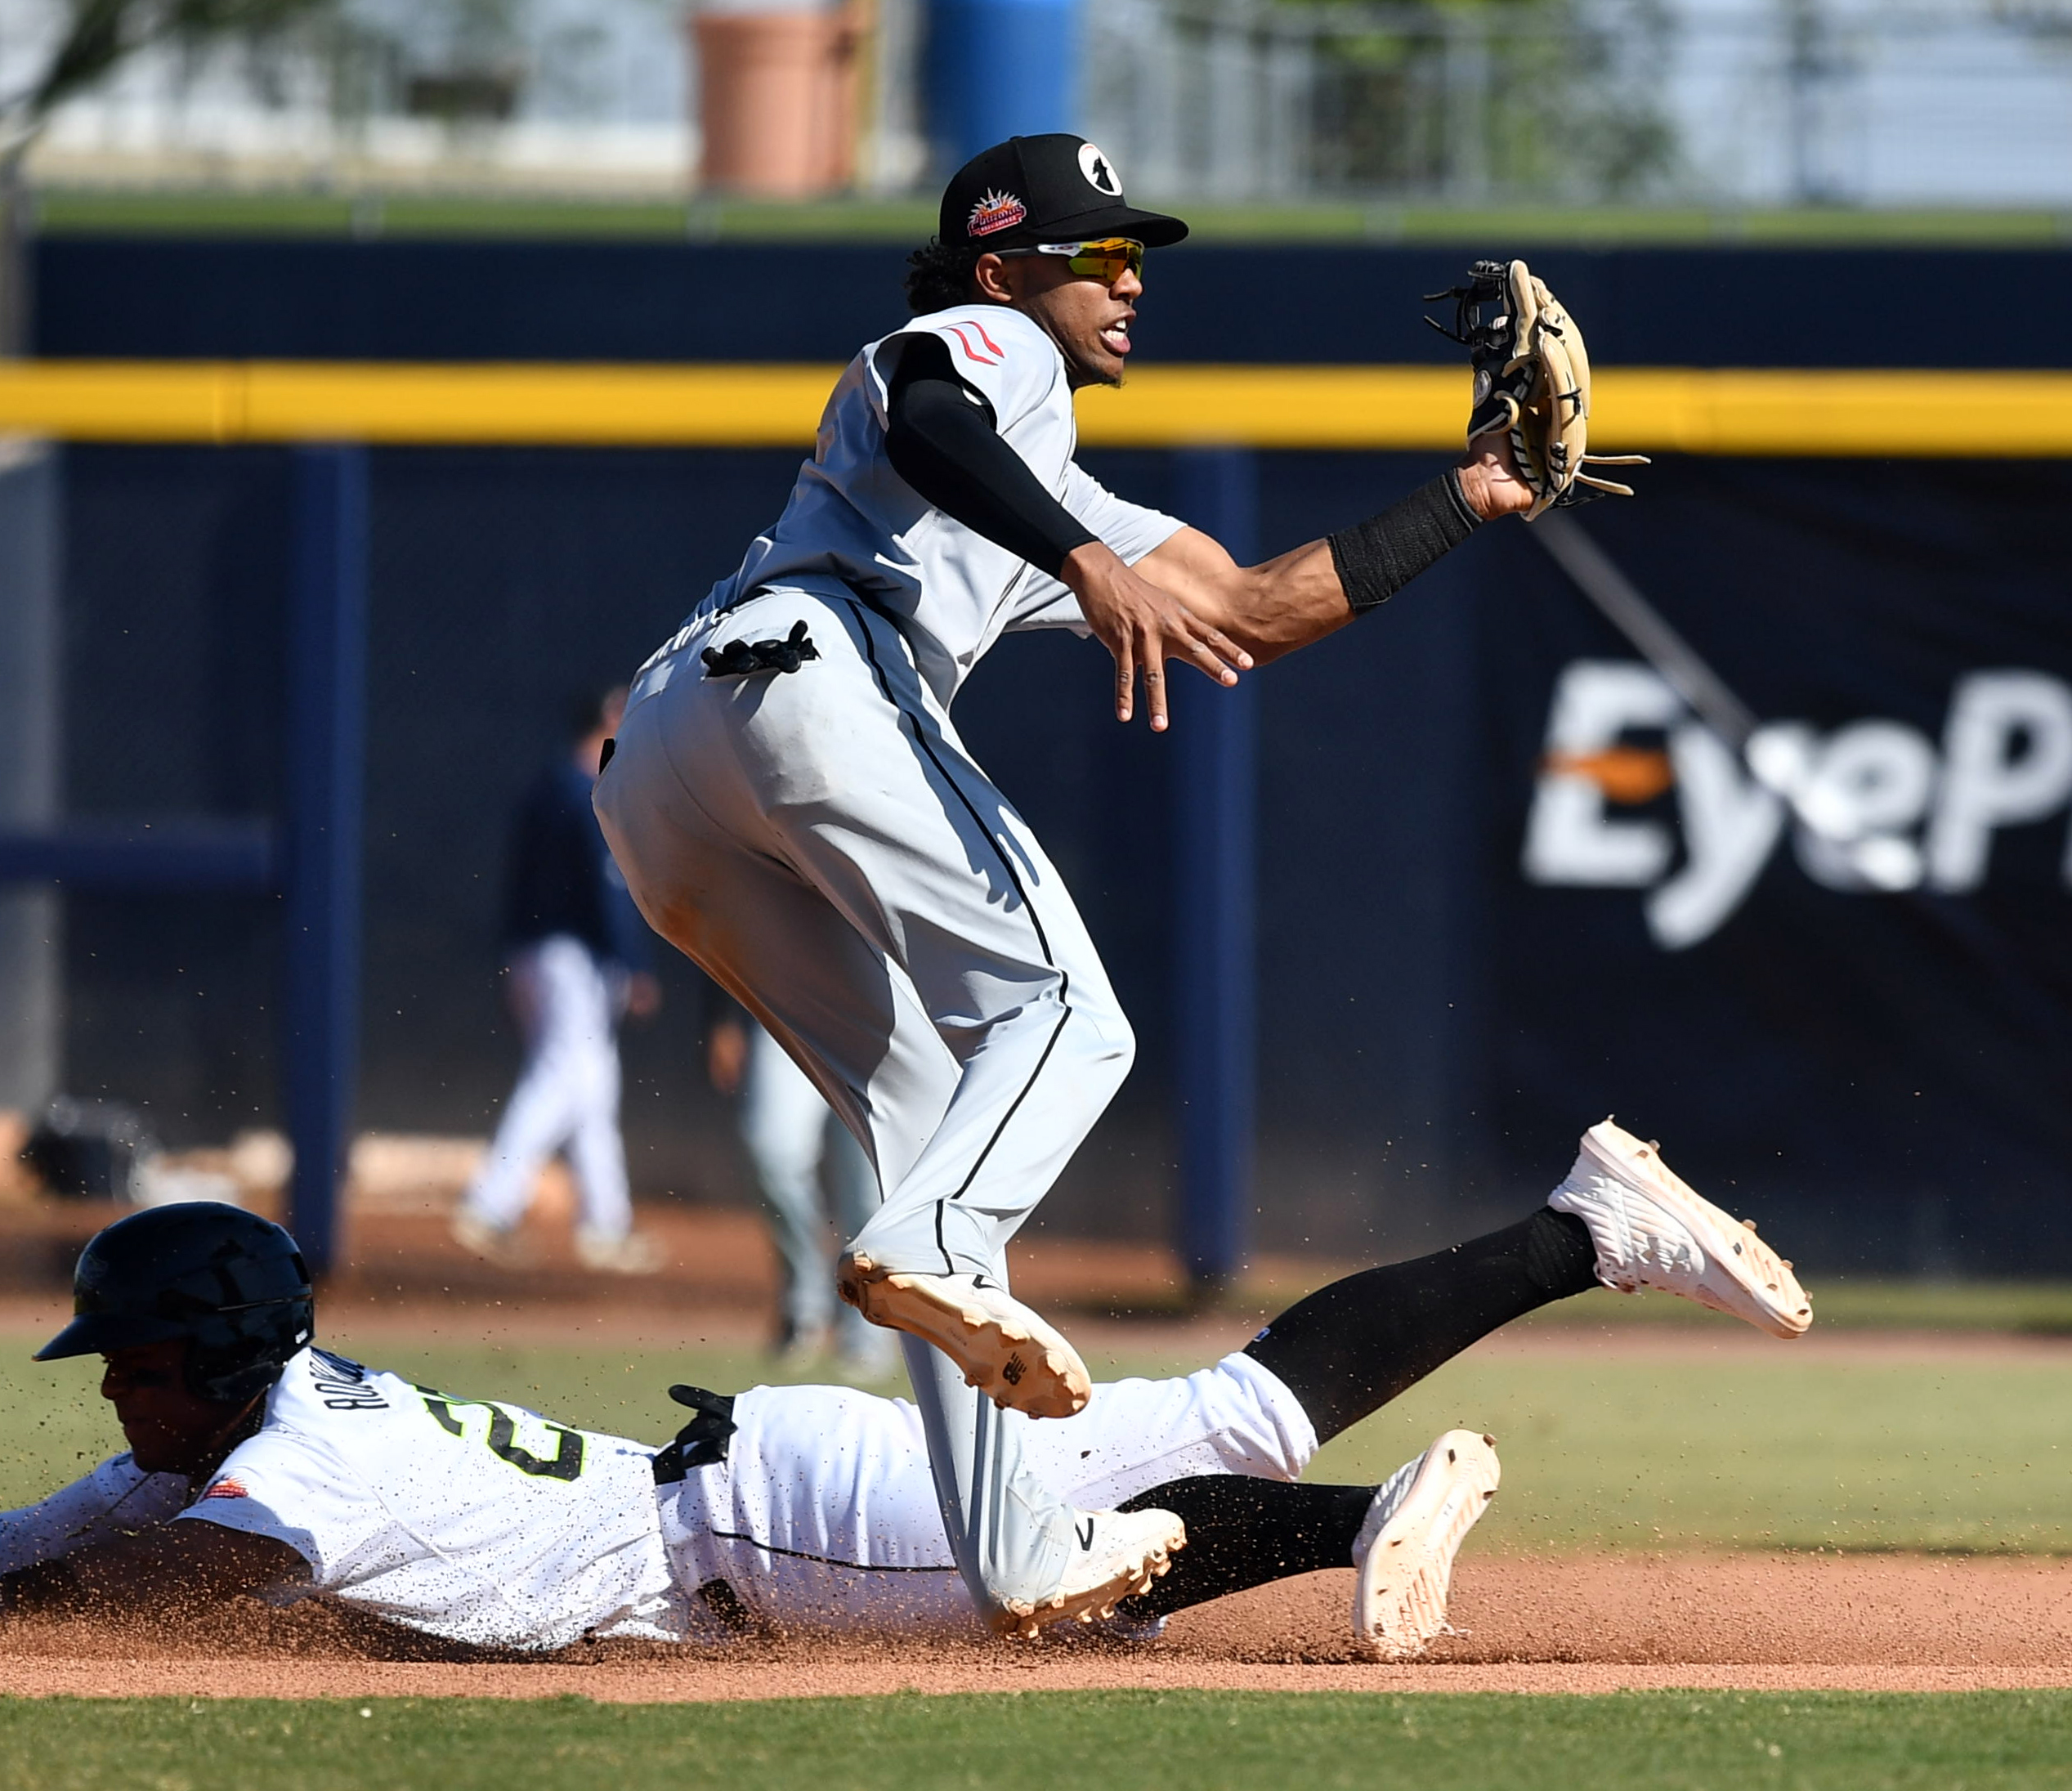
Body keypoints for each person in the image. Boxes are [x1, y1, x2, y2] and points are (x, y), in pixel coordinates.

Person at [590, 132, 1568, 1628]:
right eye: (1095, 256)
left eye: (1133, 257)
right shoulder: (992, 351)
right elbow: (928, 414)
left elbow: (1247, 607)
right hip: (802, 672)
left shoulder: (1054, 484)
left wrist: (1470, 496)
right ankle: (920, 1247)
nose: (1125, 283)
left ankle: (1013, 1556)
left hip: (664, 770)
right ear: (1004, 268)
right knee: (1067, 1015)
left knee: (925, 1115)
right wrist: (1072, 549)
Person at [0, 1118, 1809, 1656]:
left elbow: (142, 1572)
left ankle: (1576, 1228)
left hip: (753, 1531)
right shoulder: (267, 1423)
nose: (106, 1405)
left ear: (192, 1361)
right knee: (1101, 1544)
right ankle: (1389, 1486)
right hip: (760, 1499)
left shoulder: (276, 1480)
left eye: (120, 1368)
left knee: (1162, 1480)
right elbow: (64, 1535)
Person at [454, 683, 664, 1274]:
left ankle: (606, 1223)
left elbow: (515, 885)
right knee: (560, 1078)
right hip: (575, 960)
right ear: (606, 719)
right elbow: (608, 891)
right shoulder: (590, 790)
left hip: (533, 953)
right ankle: (489, 1203)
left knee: (593, 1091)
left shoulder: (544, 789)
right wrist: (636, 964)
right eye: (624, 711)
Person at [707, 1005, 897, 1377]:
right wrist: (721, 1017)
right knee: (771, 1151)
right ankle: (804, 1302)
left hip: (878, 1023)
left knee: (868, 1186)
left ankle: (867, 1320)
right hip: (785, 1010)